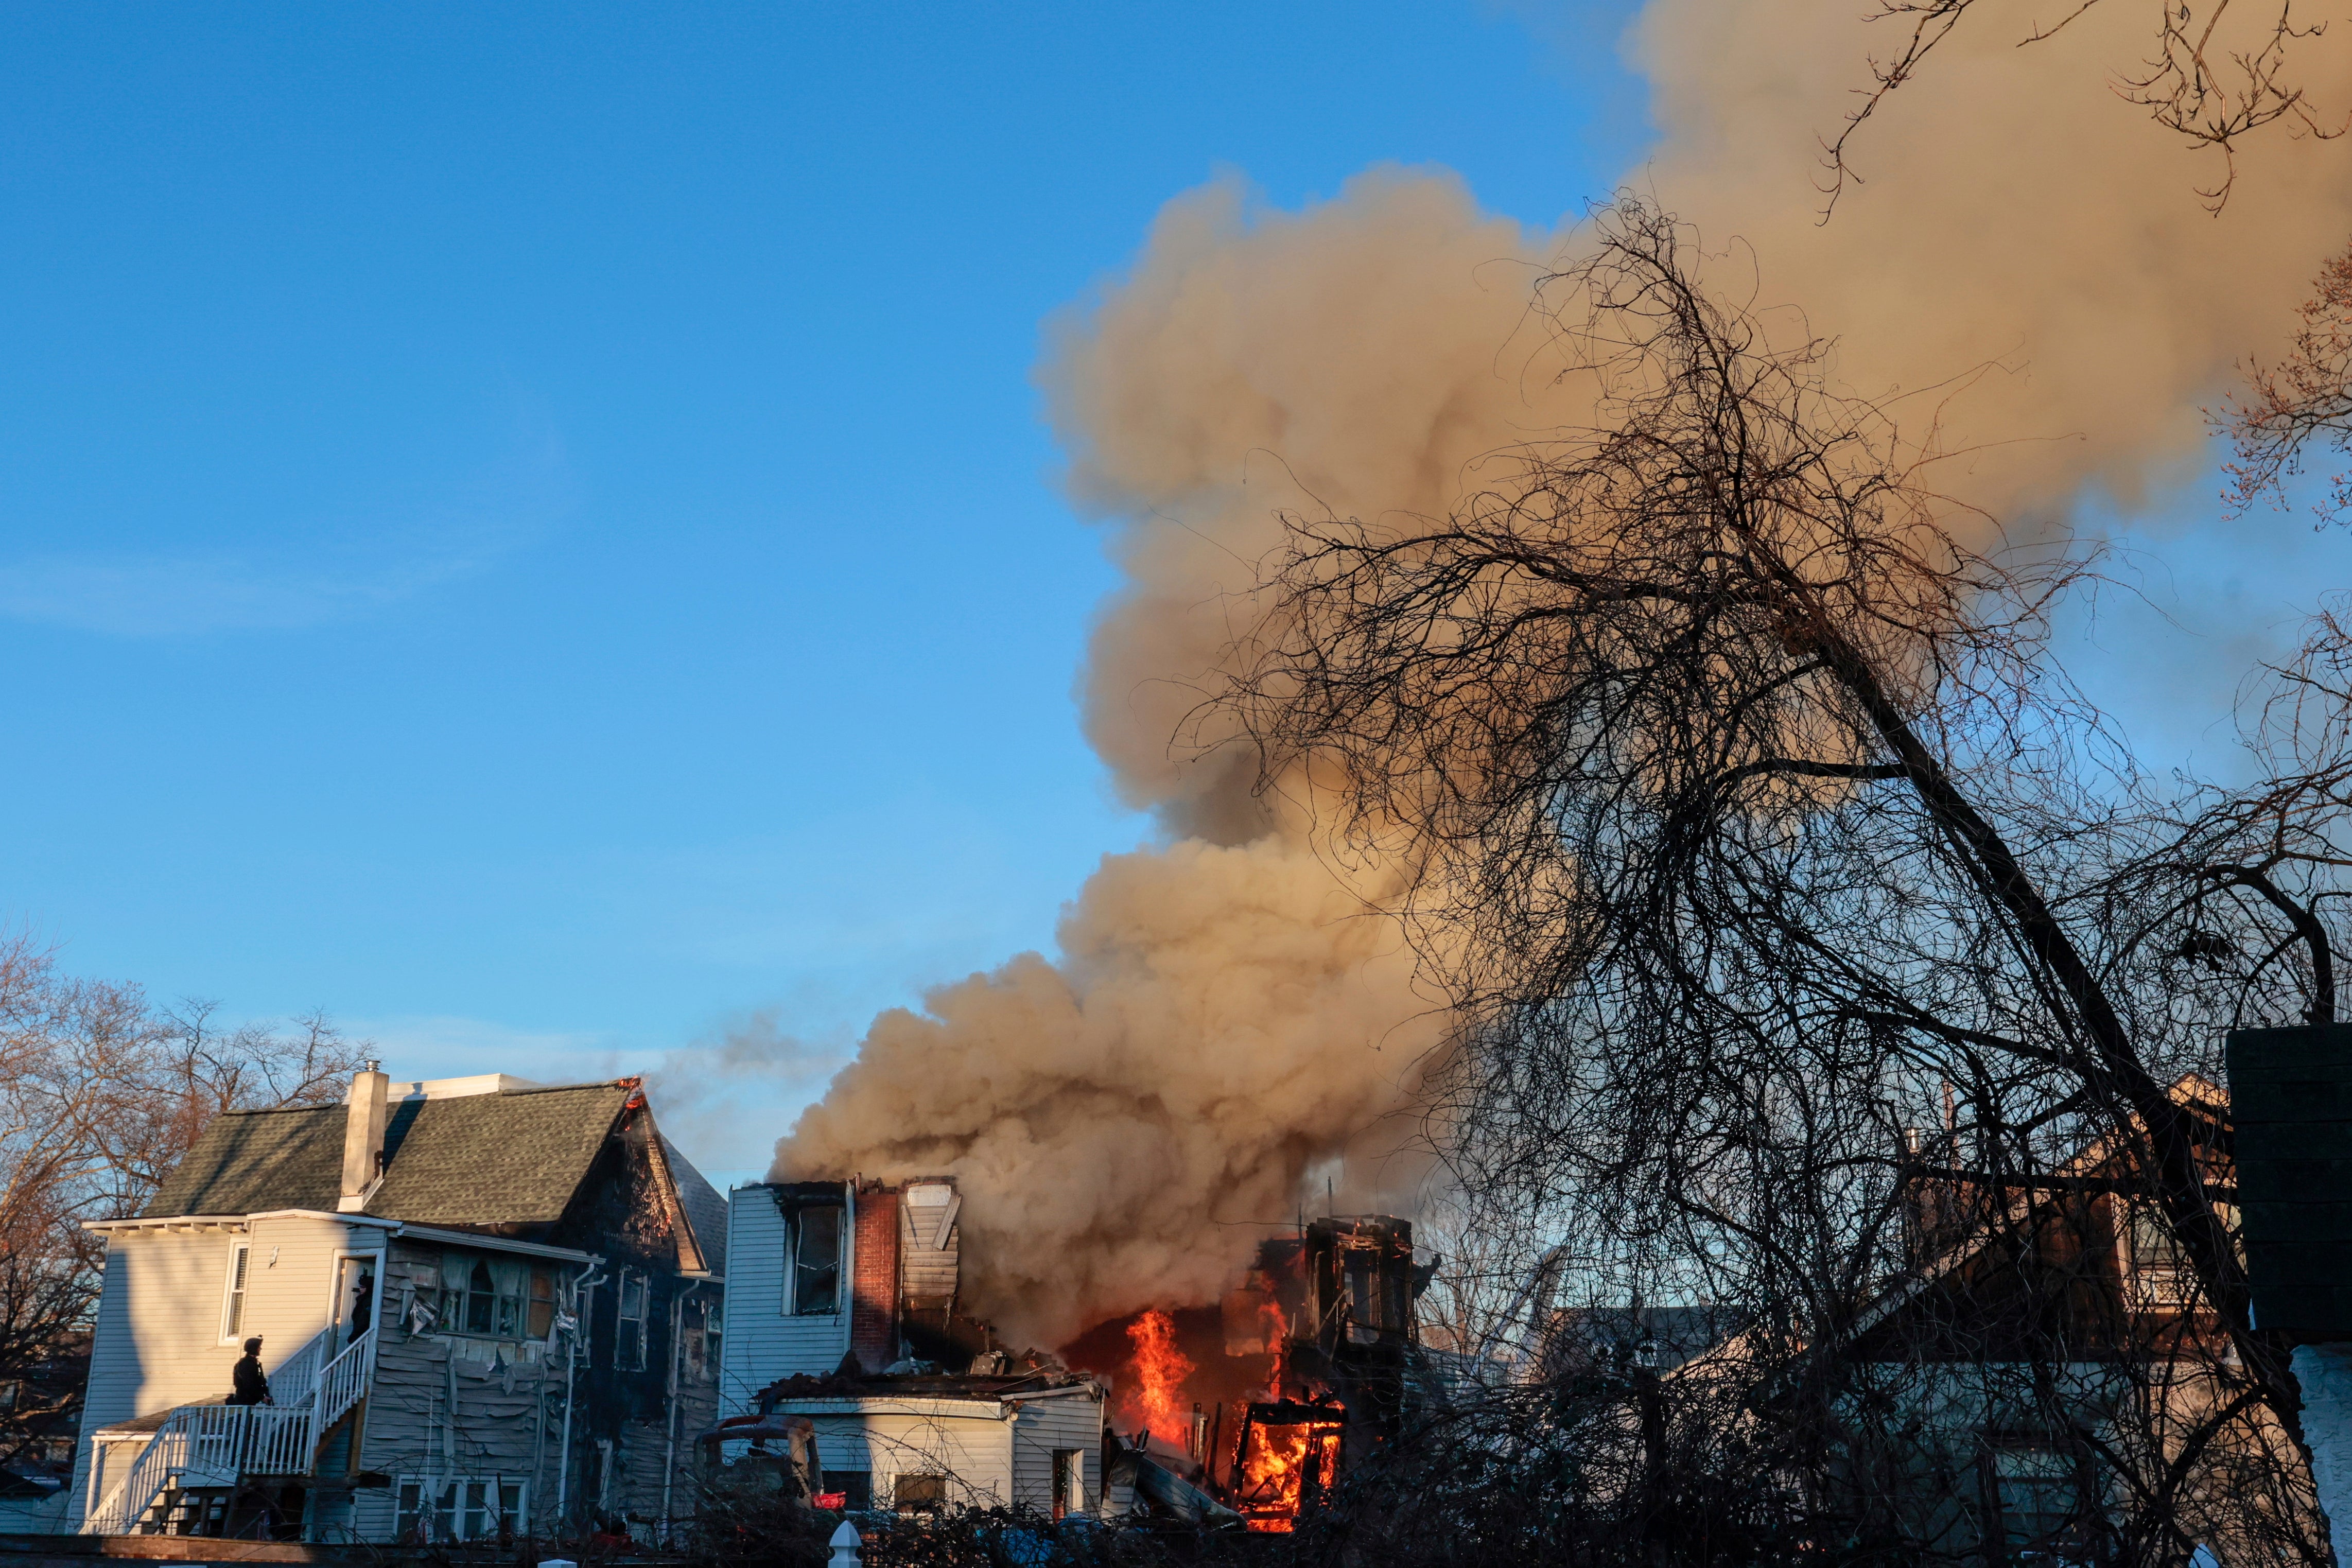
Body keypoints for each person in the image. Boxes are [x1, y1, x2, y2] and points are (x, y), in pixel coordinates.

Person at [227, 1337, 272, 1406]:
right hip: (244, 1401)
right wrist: (262, 1398)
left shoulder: (251, 1363)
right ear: (254, 1349)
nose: (260, 1349)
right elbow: (249, 1385)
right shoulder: (247, 1364)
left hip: (248, 1401)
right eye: (259, 1347)